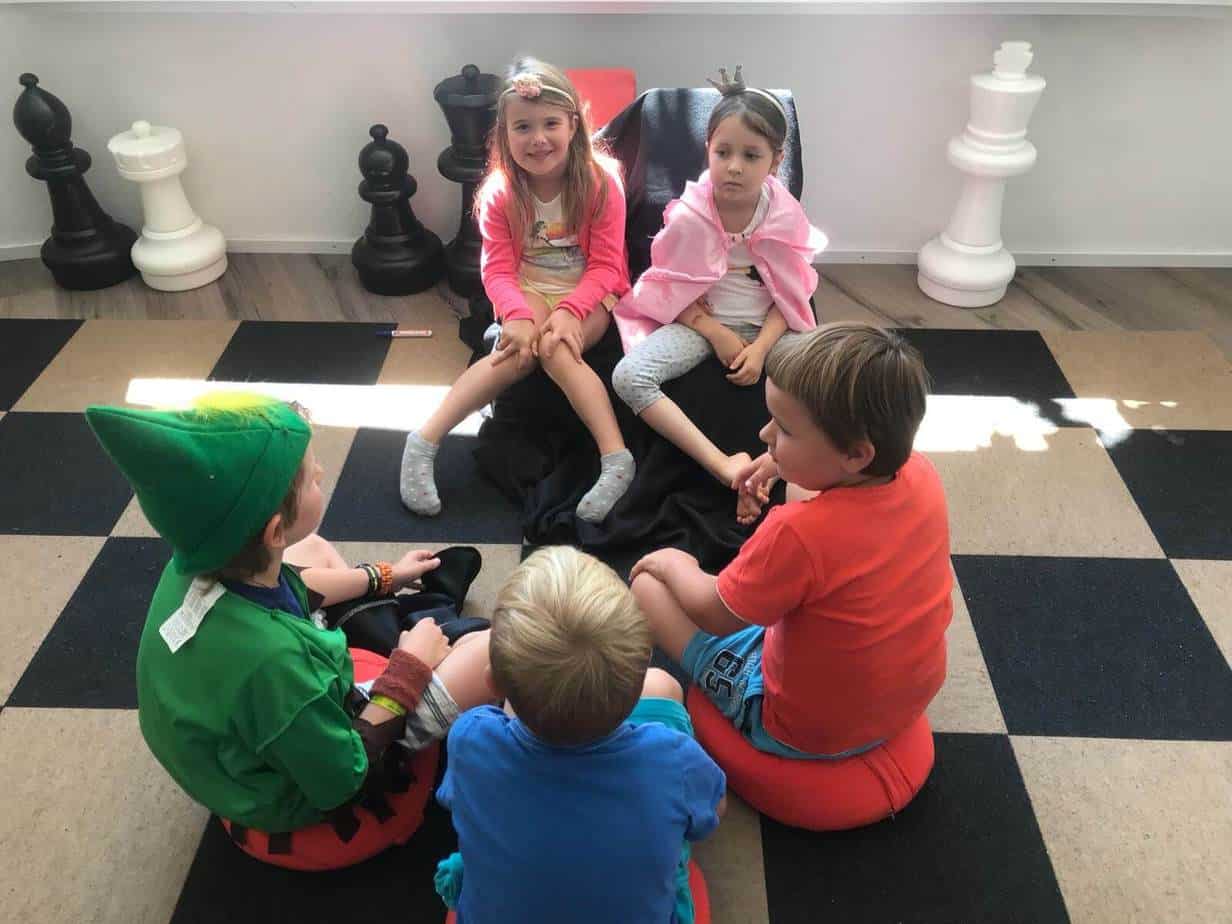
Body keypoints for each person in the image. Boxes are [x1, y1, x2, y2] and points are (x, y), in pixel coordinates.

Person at [85, 393, 492, 855]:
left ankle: (397, 626)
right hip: (305, 793)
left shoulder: (194, 567)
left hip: (240, 744)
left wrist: (383, 577)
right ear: (276, 532)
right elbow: (344, 777)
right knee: (491, 650)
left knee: (312, 548)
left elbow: (296, 582)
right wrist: (410, 667)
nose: (321, 474)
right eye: (312, 477)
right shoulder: (274, 663)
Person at [630, 323, 952, 766]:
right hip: (910, 695)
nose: (763, 435)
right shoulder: (921, 474)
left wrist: (672, 562)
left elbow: (715, 613)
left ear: (856, 454)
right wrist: (779, 462)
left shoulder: (798, 533)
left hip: (800, 729)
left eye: (783, 429)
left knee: (647, 587)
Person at [435, 546, 726, 923]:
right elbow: (710, 815)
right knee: (666, 688)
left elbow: (456, 798)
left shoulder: (471, 738)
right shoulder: (671, 761)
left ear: (491, 682)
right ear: (633, 686)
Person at [400, 57, 633, 524]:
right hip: (528, 285)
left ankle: (616, 459)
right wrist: (517, 315)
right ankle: (423, 441)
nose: (538, 138)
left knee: (556, 349)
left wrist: (570, 311)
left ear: (574, 124)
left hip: (590, 290)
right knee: (517, 352)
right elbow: (499, 270)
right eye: (523, 127)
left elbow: (607, 266)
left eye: (550, 123)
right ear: (504, 134)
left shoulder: (602, 182)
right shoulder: (500, 193)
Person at [611, 65, 827, 494]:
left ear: (776, 160)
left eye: (751, 156)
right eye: (723, 152)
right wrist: (714, 332)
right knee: (628, 377)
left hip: (770, 326)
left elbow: (792, 291)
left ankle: (768, 471)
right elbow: (668, 284)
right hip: (702, 325)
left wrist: (763, 347)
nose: (733, 167)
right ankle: (720, 464)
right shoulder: (688, 216)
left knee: (824, 378)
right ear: (707, 148)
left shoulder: (784, 215)